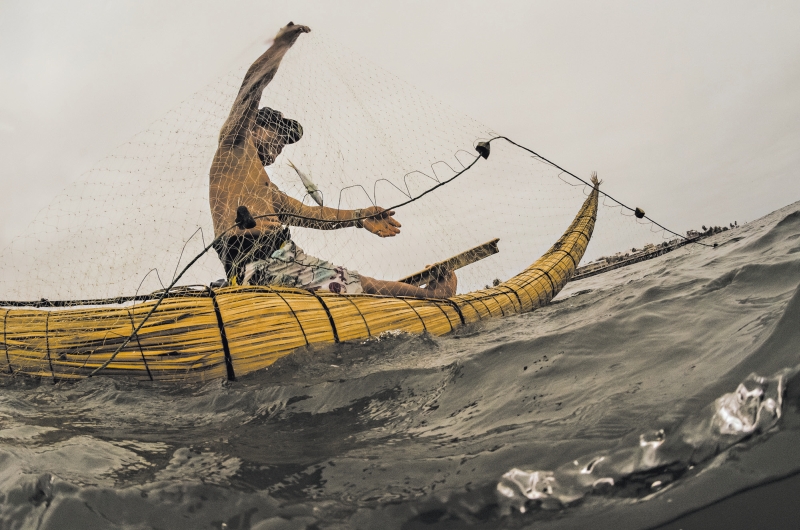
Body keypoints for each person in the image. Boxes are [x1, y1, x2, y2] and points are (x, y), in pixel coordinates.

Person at [209, 22, 456, 298]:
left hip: (281, 262)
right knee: (361, 283)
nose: (280, 144)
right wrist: (280, 46)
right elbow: (250, 90)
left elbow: (313, 215)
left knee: (354, 280)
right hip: (261, 268)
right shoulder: (234, 144)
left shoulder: (265, 189)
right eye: (276, 133)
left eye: (284, 139)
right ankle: (434, 298)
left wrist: (360, 216)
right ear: (253, 127)